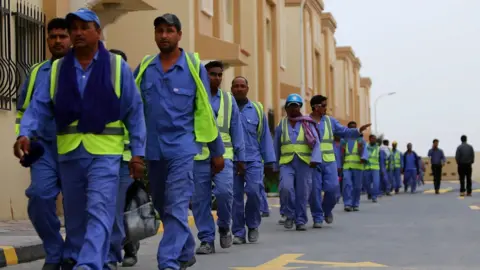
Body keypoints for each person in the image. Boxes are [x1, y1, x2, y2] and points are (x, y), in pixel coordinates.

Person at [14, 9, 146, 270]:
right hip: (69, 154)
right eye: (74, 28)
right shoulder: (57, 70)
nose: (77, 33)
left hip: (105, 154)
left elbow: (135, 112)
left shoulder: (116, 67)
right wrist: (24, 133)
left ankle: (89, 264)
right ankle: (74, 255)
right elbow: (37, 107)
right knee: (74, 218)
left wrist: (137, 153)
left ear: (98, 32)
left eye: (84, 27)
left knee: (99, 210)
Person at [133, 13, 225, 270]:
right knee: (163, 204)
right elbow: (131, 108)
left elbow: (206, 110)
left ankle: (169, 262)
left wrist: (217, 151)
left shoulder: (194, 67)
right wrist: (134, 152)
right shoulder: (145, 67)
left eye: (169, 30)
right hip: (152, 149)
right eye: (159, 31)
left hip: (182, 148)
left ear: (179, 35)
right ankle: (185, 250)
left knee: (176, 203)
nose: (164, 35)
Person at [14, 18, 71, 270]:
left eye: (62, 36)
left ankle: (73, 253)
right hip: (45, 149)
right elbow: (25, 111)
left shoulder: (83, 68)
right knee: (38, 197)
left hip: (76, 148)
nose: (57, 41)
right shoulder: (37, 72)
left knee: (76, 206)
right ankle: (54, 249)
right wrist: (23, 137)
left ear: (72, 38)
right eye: (53, 36)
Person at [191, 62, 245, 255]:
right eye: (212, 74)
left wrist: (241, 158)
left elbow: (236, 130)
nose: (217, 78)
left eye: (219, 75)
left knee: (224, 193)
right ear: (205, 75)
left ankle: (223, 225)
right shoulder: (195, 97)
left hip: (225, 154)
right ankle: (206, 239)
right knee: (200, 199)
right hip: (199, 154)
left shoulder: (229, 100)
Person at [309, 95, 370, 225]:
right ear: (316, 107)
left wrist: (358, 130)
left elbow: (344, 131)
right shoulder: (306, 121)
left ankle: (327, 210)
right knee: (315, 191)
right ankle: (317, 217)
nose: (326, 108)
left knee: (333, 189)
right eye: (324, 105)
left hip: (329, 160)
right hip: (312, 162)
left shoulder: (331, 122)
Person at [230, 76, 276, 244]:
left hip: (253, 159)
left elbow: (264, 136)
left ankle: (253, 225)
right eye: (236, 86)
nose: (239, 89)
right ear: (231, 88)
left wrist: (270, 162)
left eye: (243, 86)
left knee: (254, 192)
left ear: (247, 88)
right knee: (234, 197)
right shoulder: (227, 108)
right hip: (232, 160)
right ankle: (238, 232)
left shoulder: (256, 109)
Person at [107, 49, 140, 268]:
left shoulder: (133, 93)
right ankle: (124, 247)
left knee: (117, 207)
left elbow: (139, 126)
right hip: (103, 157)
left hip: (127, 161)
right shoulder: (98, 90)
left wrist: (138, 157)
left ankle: (114, 253)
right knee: (112, 207)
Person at [274, 94, 322, 231]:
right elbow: (276, 145)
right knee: (285, 188)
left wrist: (315, 159)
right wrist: (274, 165)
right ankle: (289, 215)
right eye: (291, 106)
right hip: (286, 162)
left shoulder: (307, 123)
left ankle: (300, 220)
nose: (294, 109)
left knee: (303, 192)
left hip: (304, 162)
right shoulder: (281, 124)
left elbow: (316, 142)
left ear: (300, 107)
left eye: (296, 106)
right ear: (286, 108)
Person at [342, 121, 368, 212]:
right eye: (351, 128)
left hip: (358, 166)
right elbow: (339, 153)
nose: (353, 129)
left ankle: (355, 204)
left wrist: (364, 158)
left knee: (357, 187)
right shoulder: (344, 140)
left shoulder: (361, 140)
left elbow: (365, 151)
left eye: (354, 128)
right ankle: (347, 204)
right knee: (347, 184)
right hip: (346, 166)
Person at [364, 135, 381, 202]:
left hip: (375, 168)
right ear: (369, 139)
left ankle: (374, 196)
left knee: (376, 183)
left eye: (375, 139)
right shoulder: (365, 146)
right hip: (367, 167)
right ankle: (369, 193)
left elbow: (380, 158)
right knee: (367, 183)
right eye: (372, 139)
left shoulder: (378, 148)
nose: (374, 140)